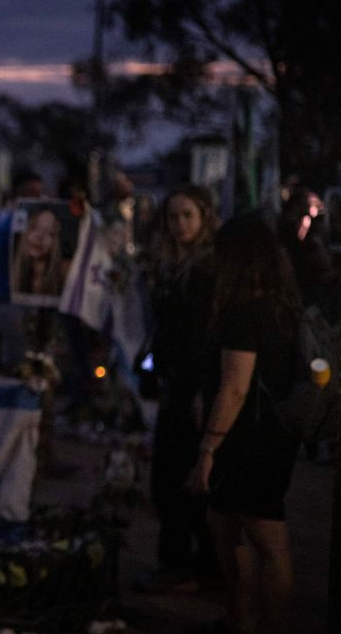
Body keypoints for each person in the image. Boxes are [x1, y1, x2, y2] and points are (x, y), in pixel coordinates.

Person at [187, 213, 302, 634]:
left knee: (266, 537)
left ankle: (268, 622)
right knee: (233, 528)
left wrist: (208, 450)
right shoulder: (281, 308)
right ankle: (242, 617)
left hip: (249, 439)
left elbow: (234, 387)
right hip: (271, 433)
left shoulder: (244, 314)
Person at [138, 186, 220, 593]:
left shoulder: (206, 269)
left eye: (188, 215)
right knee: (169, 477)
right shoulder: (172, 263)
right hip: (173, 381)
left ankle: (193, 566)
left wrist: (201, 390)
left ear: (204, 217)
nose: (180, 224)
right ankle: (184, 562)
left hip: (194, 386)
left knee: (181, 477)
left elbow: (203, 336)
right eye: (174, 217)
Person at [11, 206, 65, 296]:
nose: (39, 236)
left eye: (49, 233)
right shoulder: (11, 271)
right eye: (34, 227)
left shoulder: (64, 273)